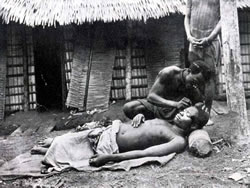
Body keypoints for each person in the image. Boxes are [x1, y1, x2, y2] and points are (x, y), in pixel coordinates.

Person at [31, 105, 209, 169]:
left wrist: (110, 158)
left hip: (110, 145)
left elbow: (146, 153)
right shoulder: (168, 122)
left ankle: (52, 147)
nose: (180, 114)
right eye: (183, 111)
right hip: (109, 131)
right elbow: (146, 129)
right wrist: (141, 118)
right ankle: (54, 144)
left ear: (193, 125)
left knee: (65, 147)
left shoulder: (178, 141)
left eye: (186, 115)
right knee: (67, 140)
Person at [123, 60, 211, 127]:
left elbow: (199, 106)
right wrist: (175, 104)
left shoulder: (194, 87)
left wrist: (200, 109)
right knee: (129, 107)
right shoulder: (170, 73)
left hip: (176, 114)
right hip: (158, 107)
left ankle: (162, 125)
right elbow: (151, 97)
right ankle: (151, 122)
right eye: (195, 81)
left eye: (199, 83)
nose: (195, 85)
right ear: (188, 71)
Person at [184, 0, 221, 111]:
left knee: (210, 78)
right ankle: (197, 109)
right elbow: (187, 17)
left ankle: (207, 112)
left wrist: (210, 37)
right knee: (194, 76)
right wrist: (189, 36)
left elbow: (223, 19)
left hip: (211, 42)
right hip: (194, 42)